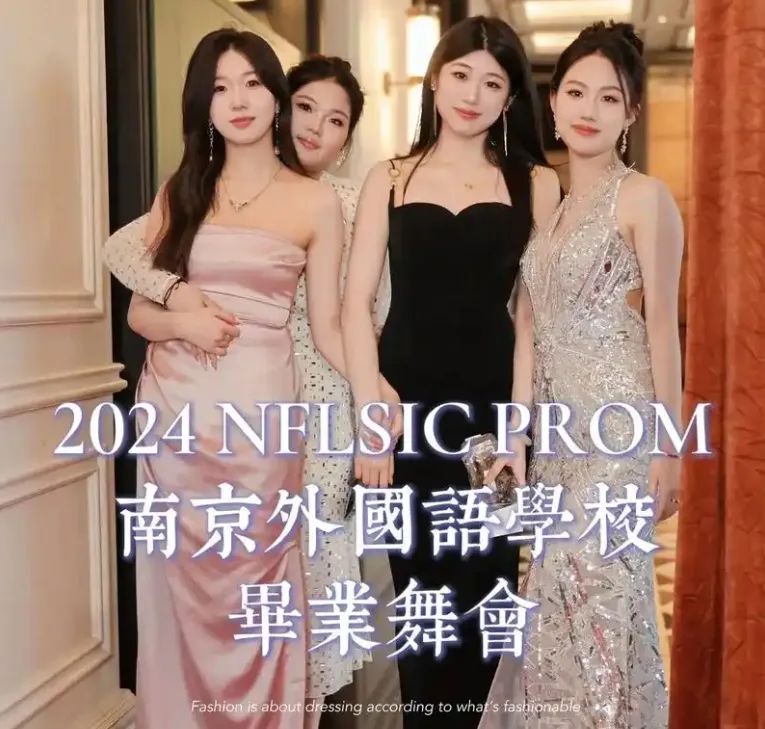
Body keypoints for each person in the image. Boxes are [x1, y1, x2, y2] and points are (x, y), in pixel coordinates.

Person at [103, 54, 393, 720]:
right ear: (202, 104)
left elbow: (329, 326)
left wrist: (374, 389)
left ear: (275, 95)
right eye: (219, 88)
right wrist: (185, 314)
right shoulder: (184, 188)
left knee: (258, 584)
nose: (237, 100)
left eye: (252, 83)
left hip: (262, 424)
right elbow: (139, 312)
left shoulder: (316, 201)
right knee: (182, 597)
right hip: (175, 422)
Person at [341, 16, 560, 729]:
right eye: (461, 75)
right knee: (421, 605)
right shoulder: (390, 177)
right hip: (406, 417)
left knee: (483, 598)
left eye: (492, 83)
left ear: (510, 98)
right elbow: (353, 307)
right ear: (435, 79)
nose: (472, 94)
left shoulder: (536, 183)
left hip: (490, 420)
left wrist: (518, 434)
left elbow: (530, 321)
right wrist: (371, 418)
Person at [481, 21, 682, 729]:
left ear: (630, 114)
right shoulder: (550, 209)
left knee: (602, 603)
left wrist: (668, 447)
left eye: (608, 97)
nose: (588, 109)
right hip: (557, 445)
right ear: (554, 101)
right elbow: (527, 336)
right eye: (574, 92)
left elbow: (662, 328)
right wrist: (515, 439)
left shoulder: (644, 197)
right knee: (555, 611)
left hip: (618, 435)